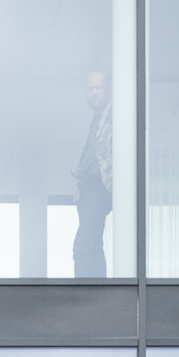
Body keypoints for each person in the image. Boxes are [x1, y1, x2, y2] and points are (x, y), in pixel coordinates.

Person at [72, 69, 114, 279]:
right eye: (91, 89)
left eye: (99, 88)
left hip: (99, 187)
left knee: (82, 247)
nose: (95, 93)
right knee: (93, 245)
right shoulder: (96, 119)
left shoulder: (114, 114)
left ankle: (87, 290)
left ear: (108, 89)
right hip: (88, 190)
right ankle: (97, 287)